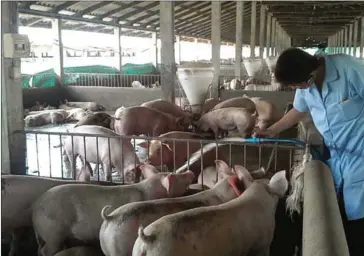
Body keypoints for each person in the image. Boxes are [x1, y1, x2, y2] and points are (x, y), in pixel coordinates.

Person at [254, 48, 364, 256]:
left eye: (296, 85)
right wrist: (271, 130)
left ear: (310, 76)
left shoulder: (351, 70)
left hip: (361, 156)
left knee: (359, 218)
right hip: (337, 156)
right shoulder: (306, 83)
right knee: (343, 212)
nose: (297, 89)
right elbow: (299, 109)